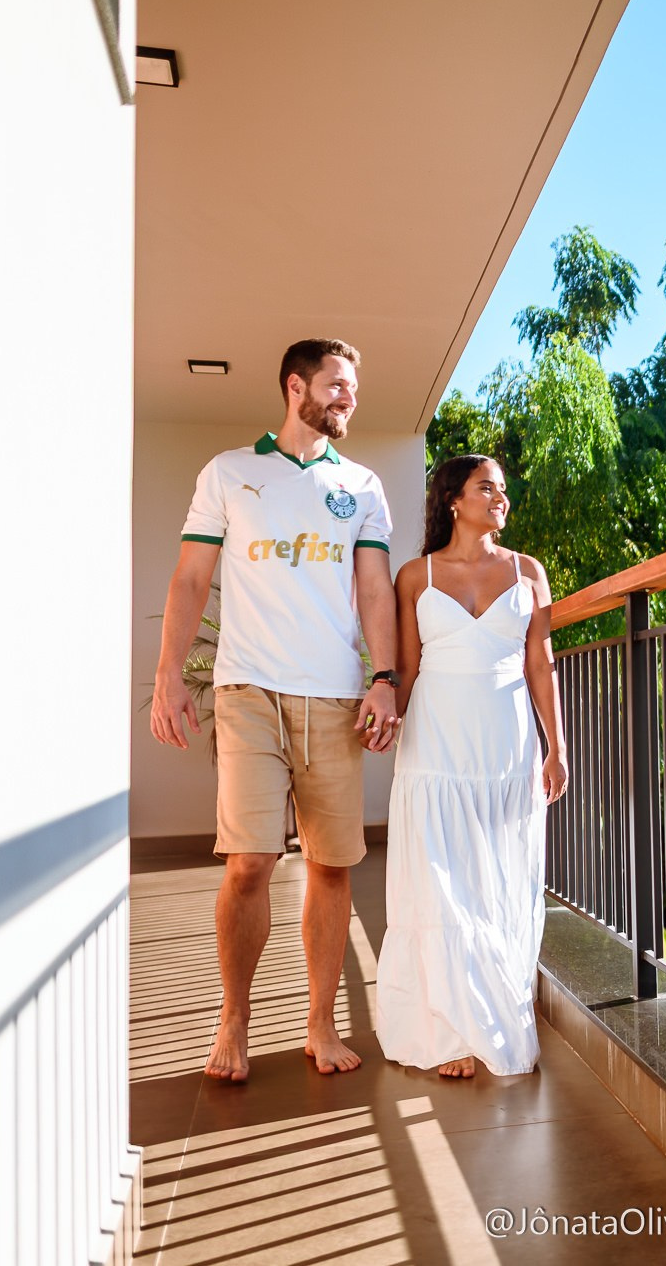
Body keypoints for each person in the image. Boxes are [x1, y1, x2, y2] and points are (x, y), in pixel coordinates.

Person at [149, 337, 403, 1081]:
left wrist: (383, 676)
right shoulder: (230, 472)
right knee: (251, 860)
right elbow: (191, 578)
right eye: (337, 385)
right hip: (248, 687)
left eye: (353, 388)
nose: (349, 398)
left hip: (332, 693)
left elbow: (376, 589)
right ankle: (233, 1020)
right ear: (296, 386)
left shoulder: (361, 485)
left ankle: (320, 1022)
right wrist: (169, 674)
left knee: (330, 865)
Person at [374, 455, 568, 1078]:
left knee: (498, 878)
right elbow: (405, 667)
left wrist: (556, 747)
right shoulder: (415, 576)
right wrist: (382, 717)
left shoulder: (529, 571)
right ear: (453, 500)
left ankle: (488, 1015)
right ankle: (453, 1029)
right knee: (440, 882)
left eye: (504, 490)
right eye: (488, 488)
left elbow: (541, 666)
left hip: (506, 745)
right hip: (436, 744)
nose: (500, 498)